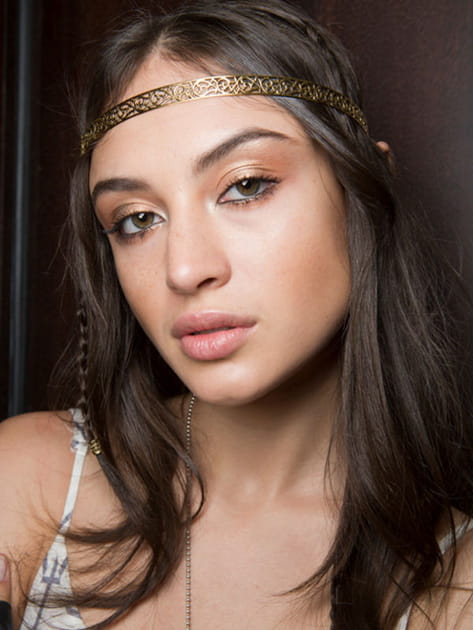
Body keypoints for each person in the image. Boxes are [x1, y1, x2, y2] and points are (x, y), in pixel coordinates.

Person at [1, 0, 472, 628]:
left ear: (366, 190)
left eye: (246, 185)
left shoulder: (454, 584)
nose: (184, 269)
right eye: (137, 219)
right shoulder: (26, 483)